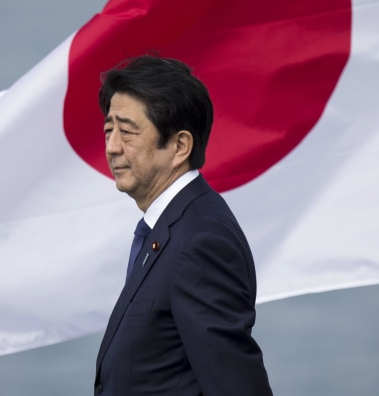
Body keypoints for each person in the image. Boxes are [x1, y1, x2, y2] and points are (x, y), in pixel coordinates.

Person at [93, 56, 272, 395]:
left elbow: (236, 385)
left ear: (179, 146)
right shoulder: (171, 227)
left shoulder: (200, 241)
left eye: (127, 132)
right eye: (108, 129)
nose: (112, 147)